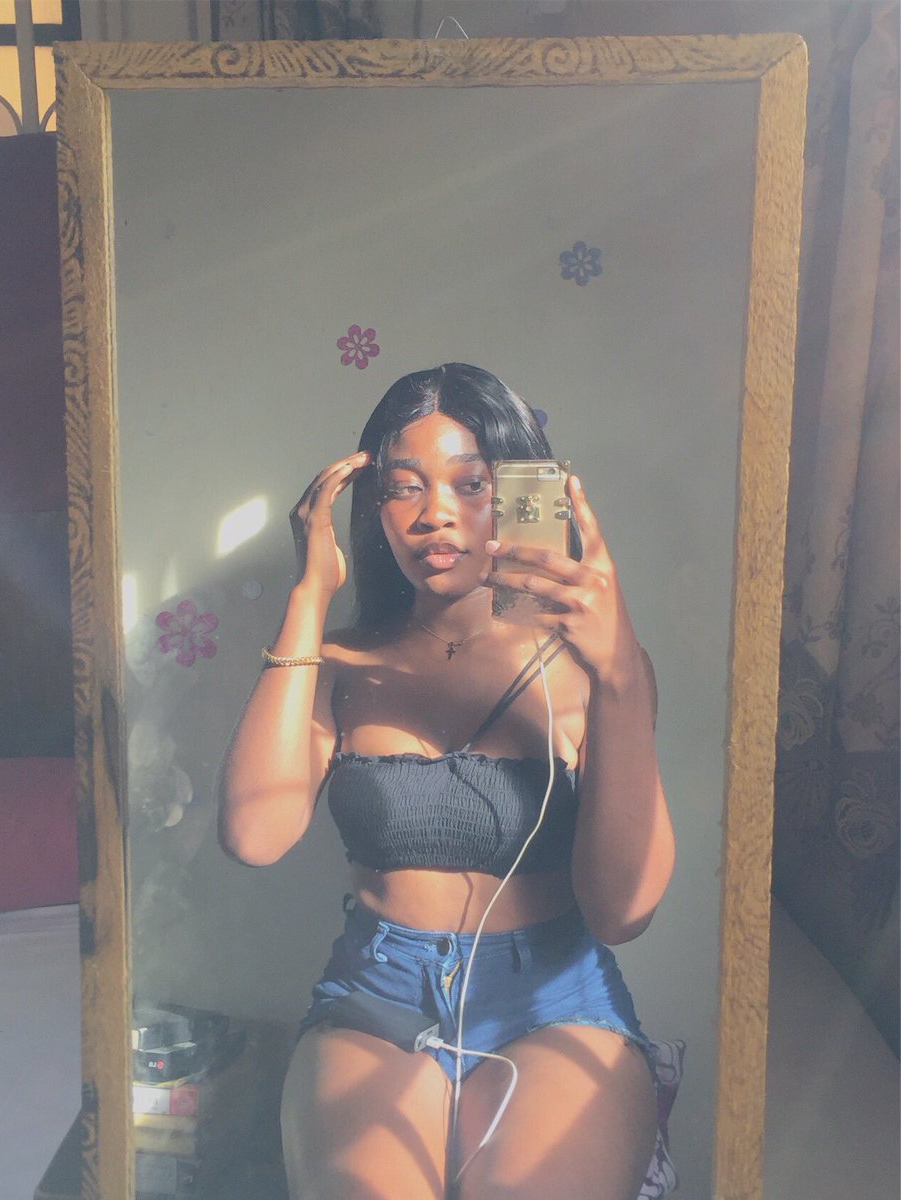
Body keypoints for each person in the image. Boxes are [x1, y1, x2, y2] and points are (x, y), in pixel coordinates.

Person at [219, 364, 675, 1200]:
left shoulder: (590, 668)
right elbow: (254, 835)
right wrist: (309, 598)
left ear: (525, 497)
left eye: (471, 484)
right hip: (377, 994)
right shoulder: (338, 662)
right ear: (373, 509)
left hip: (555, 997)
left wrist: (615, 674)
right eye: (403, 487)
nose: (434, 513)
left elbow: (624, 912)